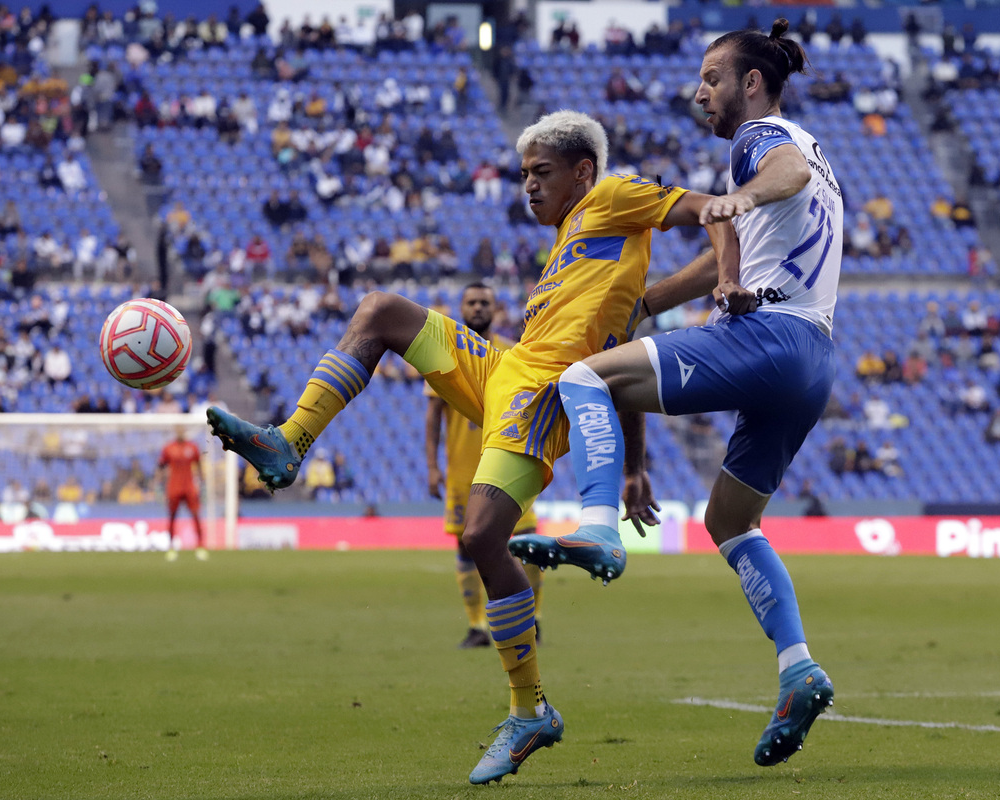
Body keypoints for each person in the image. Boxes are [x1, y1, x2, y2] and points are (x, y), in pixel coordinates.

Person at [205, 109, 737, 785]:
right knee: (379, 311)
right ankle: (288, 442)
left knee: (485, 534)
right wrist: (633, 467)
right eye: (522, 175)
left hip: (542, 393)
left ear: (583, 170)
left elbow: (715, 211)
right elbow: (626, 356)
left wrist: (726, 276)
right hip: (504, 366)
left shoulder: (613, 195)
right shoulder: (580, 241)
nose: (528, 187)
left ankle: (529, 708)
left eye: (541, 173)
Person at [507, 19, 838, 768]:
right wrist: (653, 299)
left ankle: (596, 527)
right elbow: (755, 227)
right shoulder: (817, 144)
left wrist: (741, 196)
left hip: (771, 338)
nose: (700, 91)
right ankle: (798, 669)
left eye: (712, 77)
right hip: (814, 359)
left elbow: (779, 178)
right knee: (729, 520)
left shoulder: (760, 137)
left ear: (751, 82)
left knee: (583, 374)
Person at [426, 284, 544, 649]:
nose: (478, 308)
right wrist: (432, 466)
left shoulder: (514, 353)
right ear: (461, 308)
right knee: (467, 547)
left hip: (509, 461)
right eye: (471, 302)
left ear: (496, 309)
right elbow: (432, 417)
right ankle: (477, 625)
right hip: (463, 469)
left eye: (484, 303)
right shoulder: (446, 355)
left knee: (525, 544)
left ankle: (533, 619)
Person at [156, 428, 207, 561]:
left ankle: (200, 547)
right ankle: (171, 547)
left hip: (189, 487)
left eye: (182, 430)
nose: (180, 433)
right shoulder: (169, 448)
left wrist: (203, 482)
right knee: (172, 517)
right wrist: (159, 484)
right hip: (174, 487)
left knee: (196, 515)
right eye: (178, 430)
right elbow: (161, 465)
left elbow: (199, 464)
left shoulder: (192, 447)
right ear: (175, 432)